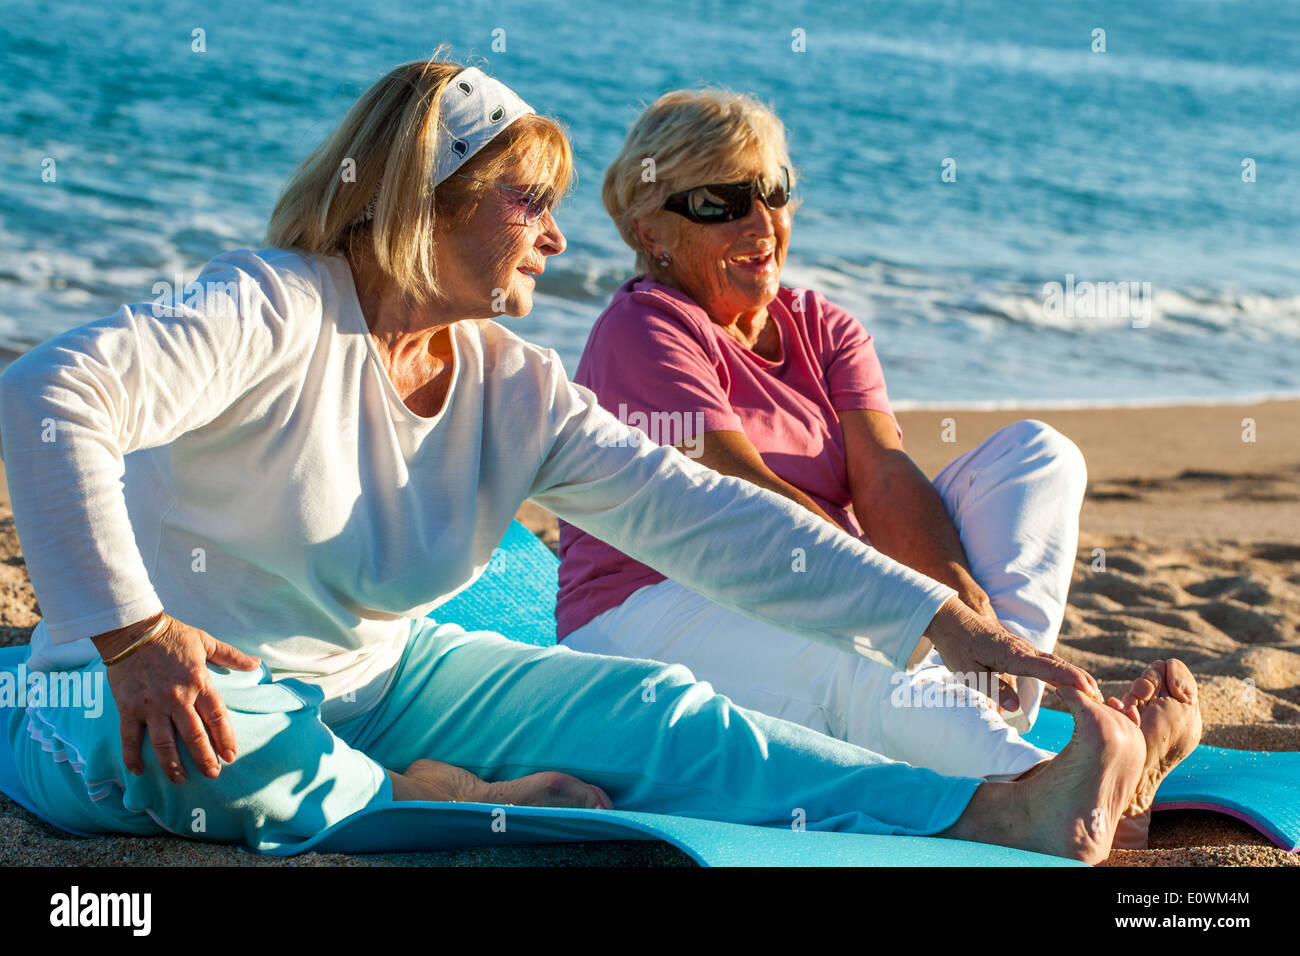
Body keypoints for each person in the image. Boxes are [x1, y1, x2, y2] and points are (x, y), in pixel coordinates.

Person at [0, 57, 1194, 862]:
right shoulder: (268, 309)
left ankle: (994, 811)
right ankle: (432, 798)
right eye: (530, 202)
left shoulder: (511, 386)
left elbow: (704, 517)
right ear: (428, 196)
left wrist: (942, 622)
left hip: (388, 677)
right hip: (172, 684)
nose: (561, 236)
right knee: (197, 747)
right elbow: (48, 395)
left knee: (658, 707)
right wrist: (131, 636)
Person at [556, 88, 1200, 841]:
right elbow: (743, 499)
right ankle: (1056, 793)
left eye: (774, 192)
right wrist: (909, 613)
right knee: (853, 653)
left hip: (816, 585)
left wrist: (971, 614)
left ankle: (1007, 698)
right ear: (650, 231)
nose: (761, 222)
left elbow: (886, 478)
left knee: (1039, 456)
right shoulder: (647, 325)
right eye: (718, 203)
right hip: (656, 604)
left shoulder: (821, 325)